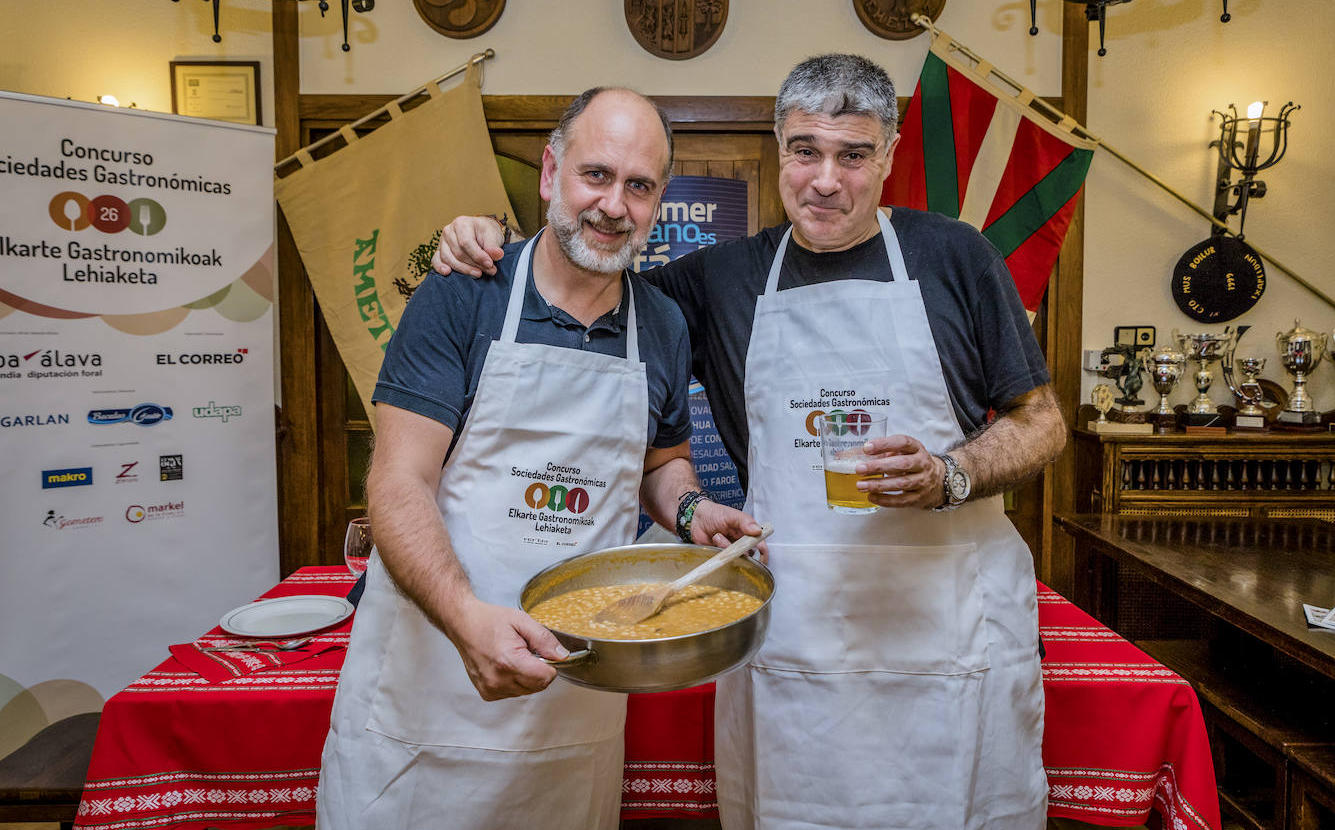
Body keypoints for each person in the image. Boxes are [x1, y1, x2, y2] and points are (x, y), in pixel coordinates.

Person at [434, 54, 1068, 830]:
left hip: (953, 636)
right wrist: (487, 243)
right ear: (779, 149)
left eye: (853, 154)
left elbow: (1043, 422)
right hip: (802, 649)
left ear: (890, 155)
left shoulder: (954, 255)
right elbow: (584, 273)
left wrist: (952, 472)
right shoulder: (722, 278)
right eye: (805, 150)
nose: (825, 179)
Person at [316, 87, 762, 830]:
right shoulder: (465, 291)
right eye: (596, 175)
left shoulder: (661, 323)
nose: (614, 205)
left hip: (572, 711)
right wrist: (466, 618)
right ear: (551, 172)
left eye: (640, 186)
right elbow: (397, 480)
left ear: (657, 202)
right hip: (431, 696)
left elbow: (661, 462)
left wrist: (689, 508)